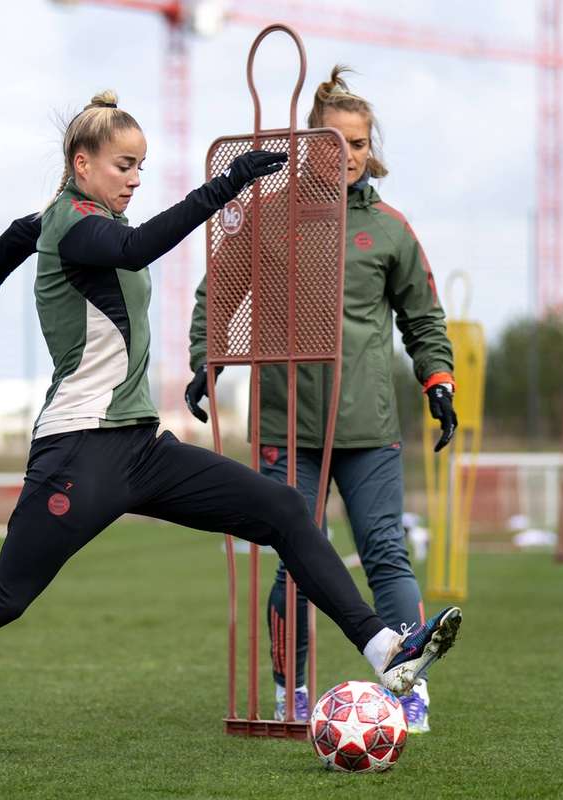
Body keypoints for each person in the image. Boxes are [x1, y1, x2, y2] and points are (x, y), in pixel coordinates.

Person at [0, 90, 462, 768]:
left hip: (140, 448)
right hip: (78, 453)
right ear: (81, 163)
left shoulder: (56, 219)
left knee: (284, 511)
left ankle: (386, 653)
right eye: (124, 165)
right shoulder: (81, 226)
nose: (136, 179)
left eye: (142, 166)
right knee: (2, 598)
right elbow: (140, 246)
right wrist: (227, 185)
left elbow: (14, 235)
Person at [185, 66, 454, 732]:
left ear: (370, 149)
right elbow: (217, 292)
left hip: (368, 424)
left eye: (359, 143)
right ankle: (291, 691)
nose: (349, 154)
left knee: (387, 553)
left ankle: (406, 687)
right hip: (284, 420)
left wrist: (438, 381)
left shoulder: (390, 229)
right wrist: (204, 361)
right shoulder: (269, 215)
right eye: (336, 141)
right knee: (298, 556)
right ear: (312, 146)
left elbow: (423, 317)